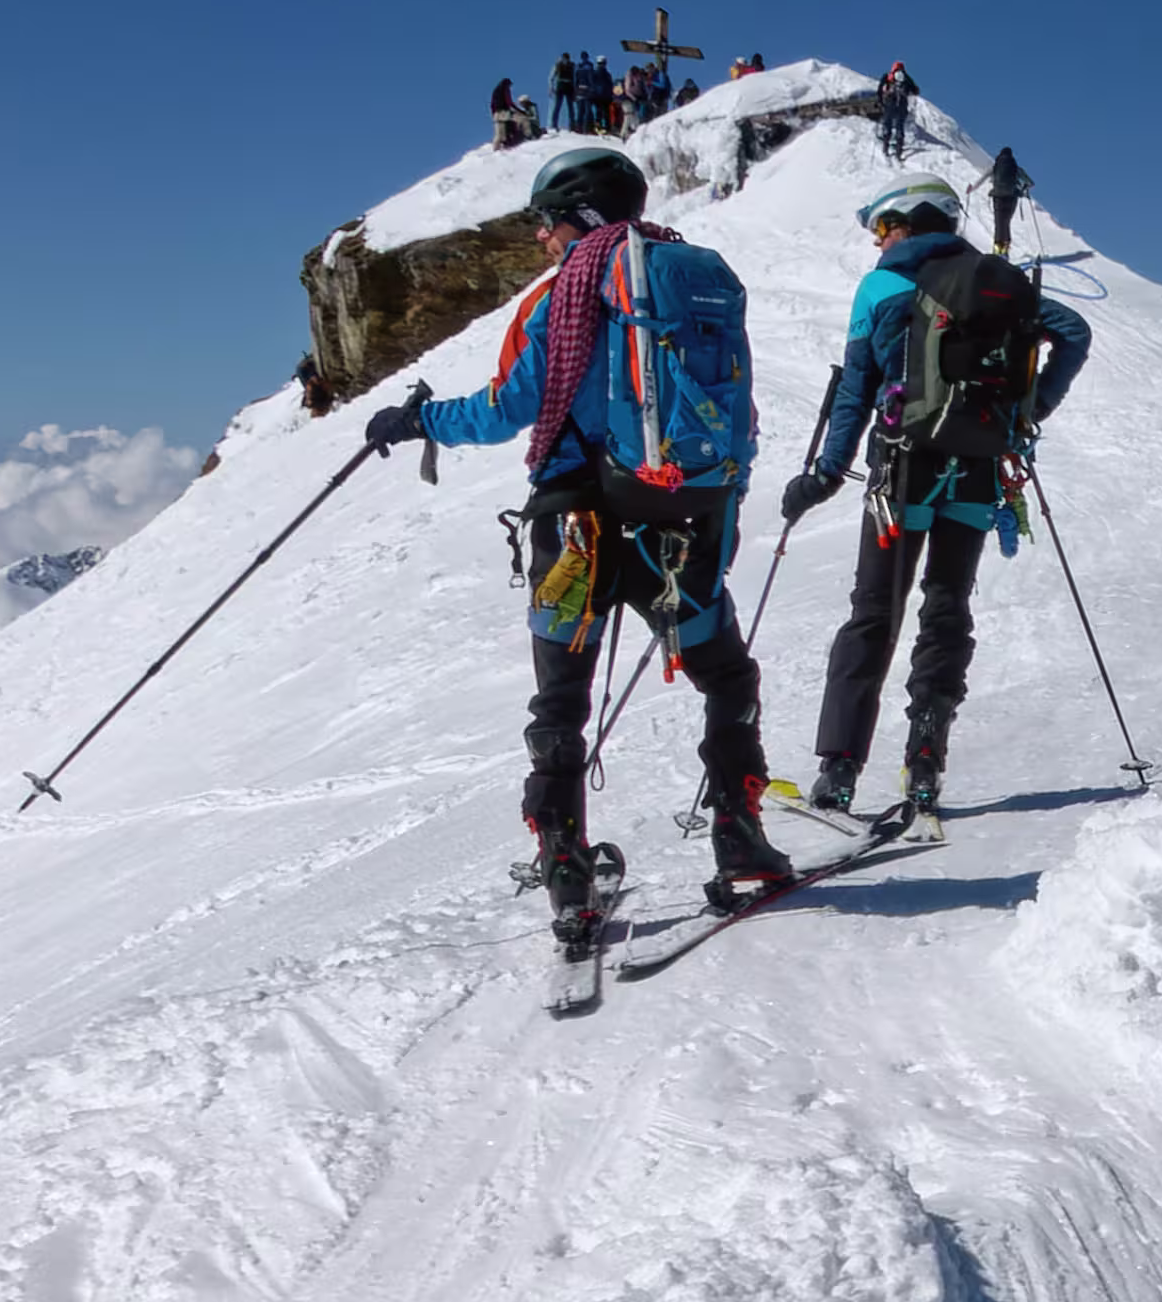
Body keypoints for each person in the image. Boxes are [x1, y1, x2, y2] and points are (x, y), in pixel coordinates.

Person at [362, 142, 786, 945]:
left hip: (573, 536)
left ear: (579, 218)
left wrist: (417, 419)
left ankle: (565, 867)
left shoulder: (559, 300)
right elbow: (740, 419)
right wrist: (713, 523)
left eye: (547, 222)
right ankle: (740, 832)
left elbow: (503, 409)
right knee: (726, 676)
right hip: (676, 528)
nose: (540, 239)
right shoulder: (693, 287)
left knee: (561, 701)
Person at [777, 178, 1091, 843]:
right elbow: (1074, 331)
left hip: (902, 469)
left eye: (884, 224)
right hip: (975, 471)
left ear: (912, 221)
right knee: (947, 606)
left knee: (875, 612)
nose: (879, 238)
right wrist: (1026, 416)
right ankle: (925, 764)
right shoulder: (995, 282)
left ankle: (838, 770)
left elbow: (856, 389)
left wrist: (827, 473)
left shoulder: (882, 287)